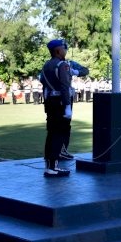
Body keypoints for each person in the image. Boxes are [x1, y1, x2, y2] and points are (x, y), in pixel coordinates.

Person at [40, 39, 75, 178]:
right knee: (59, 133)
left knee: (51, 132)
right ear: (57, 51)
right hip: (60, 102)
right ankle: (53, 167)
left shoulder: (46, 65)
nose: (65, 51)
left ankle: (49, 162)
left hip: (50, 102)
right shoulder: (62, 65)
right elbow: (65, 86)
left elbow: (43, 81)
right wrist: (67, 106)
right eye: (63, 49)